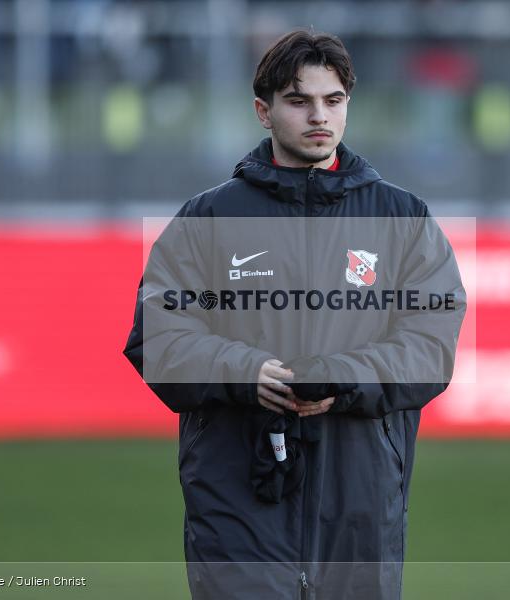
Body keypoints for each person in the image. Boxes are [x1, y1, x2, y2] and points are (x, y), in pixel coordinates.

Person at [123, 29, 466, 599]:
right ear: (264, 111)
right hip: (237, 493)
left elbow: (430, 345)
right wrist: (246, 373)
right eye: (299, 100)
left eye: (333, 100)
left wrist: (341, 378)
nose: (319, 116)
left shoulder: (403, 218)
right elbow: (158, 337)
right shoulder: (208, 218)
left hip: (360, 496)